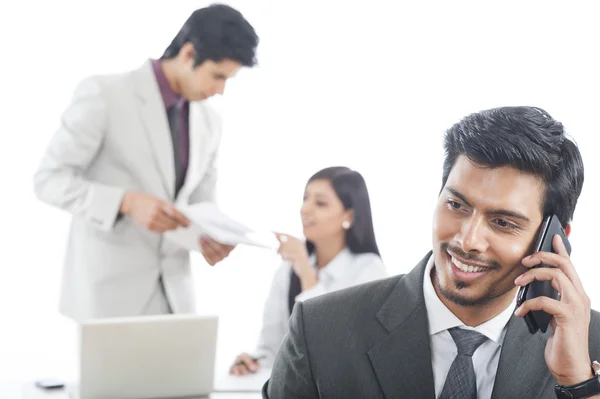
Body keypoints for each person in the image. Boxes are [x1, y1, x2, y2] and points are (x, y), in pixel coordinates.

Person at [263, 107, 600, 399]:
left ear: (555, 237)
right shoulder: (319, 329)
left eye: (502, 222)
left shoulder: (591, 345)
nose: (467, 241)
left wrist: (579, 384)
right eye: (456, 204)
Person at [33, 4, 259, 320]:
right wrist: (126, 202)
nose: (220, 90)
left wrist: (211, 237)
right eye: (217, 76)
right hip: (108, 297)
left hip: (176, 298)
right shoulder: (104, 94)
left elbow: (201, 203)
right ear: (189, 54)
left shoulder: (210, 123)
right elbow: (48, 179)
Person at [230, 167, 388, 375]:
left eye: (320, 203)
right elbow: (271, 351)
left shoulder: (368, 271)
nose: (305, 209)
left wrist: (305, 271)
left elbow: (334, 350)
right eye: (305, 199)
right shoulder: (288, 268)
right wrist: (253, 364)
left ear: (349, 215)